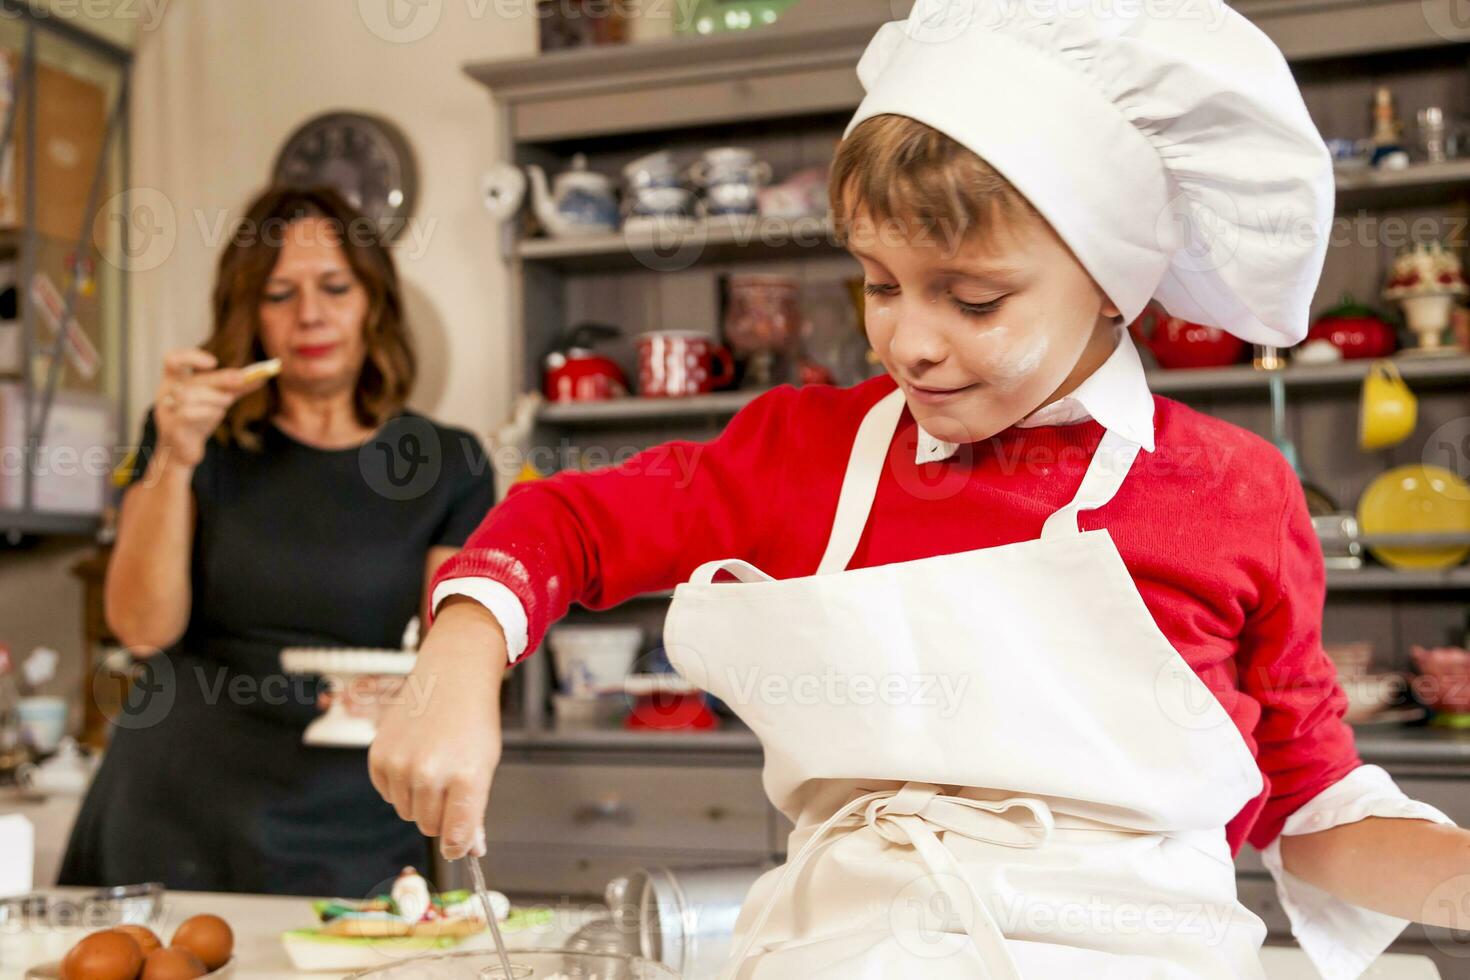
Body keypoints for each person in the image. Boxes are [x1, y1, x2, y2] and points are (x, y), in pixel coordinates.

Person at [370, 2, 1470, 977]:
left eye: (975, 299)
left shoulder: (1234, 493)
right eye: (880, 283)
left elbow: (1307, 801)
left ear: (1112, 286)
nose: (909, 340)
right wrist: (458, 655)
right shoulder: (804, 450)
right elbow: (571, 519)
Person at [61, 186, 494, 896]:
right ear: (249, 316)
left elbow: (463, 656)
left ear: (373, 302)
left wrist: (406, 698)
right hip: (174, 808)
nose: (310, 315)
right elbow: (139, 628)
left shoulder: (450, 464)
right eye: (278, 294)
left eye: (334, 287)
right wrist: (173, 455)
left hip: (357, 807)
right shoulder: (193, 439)